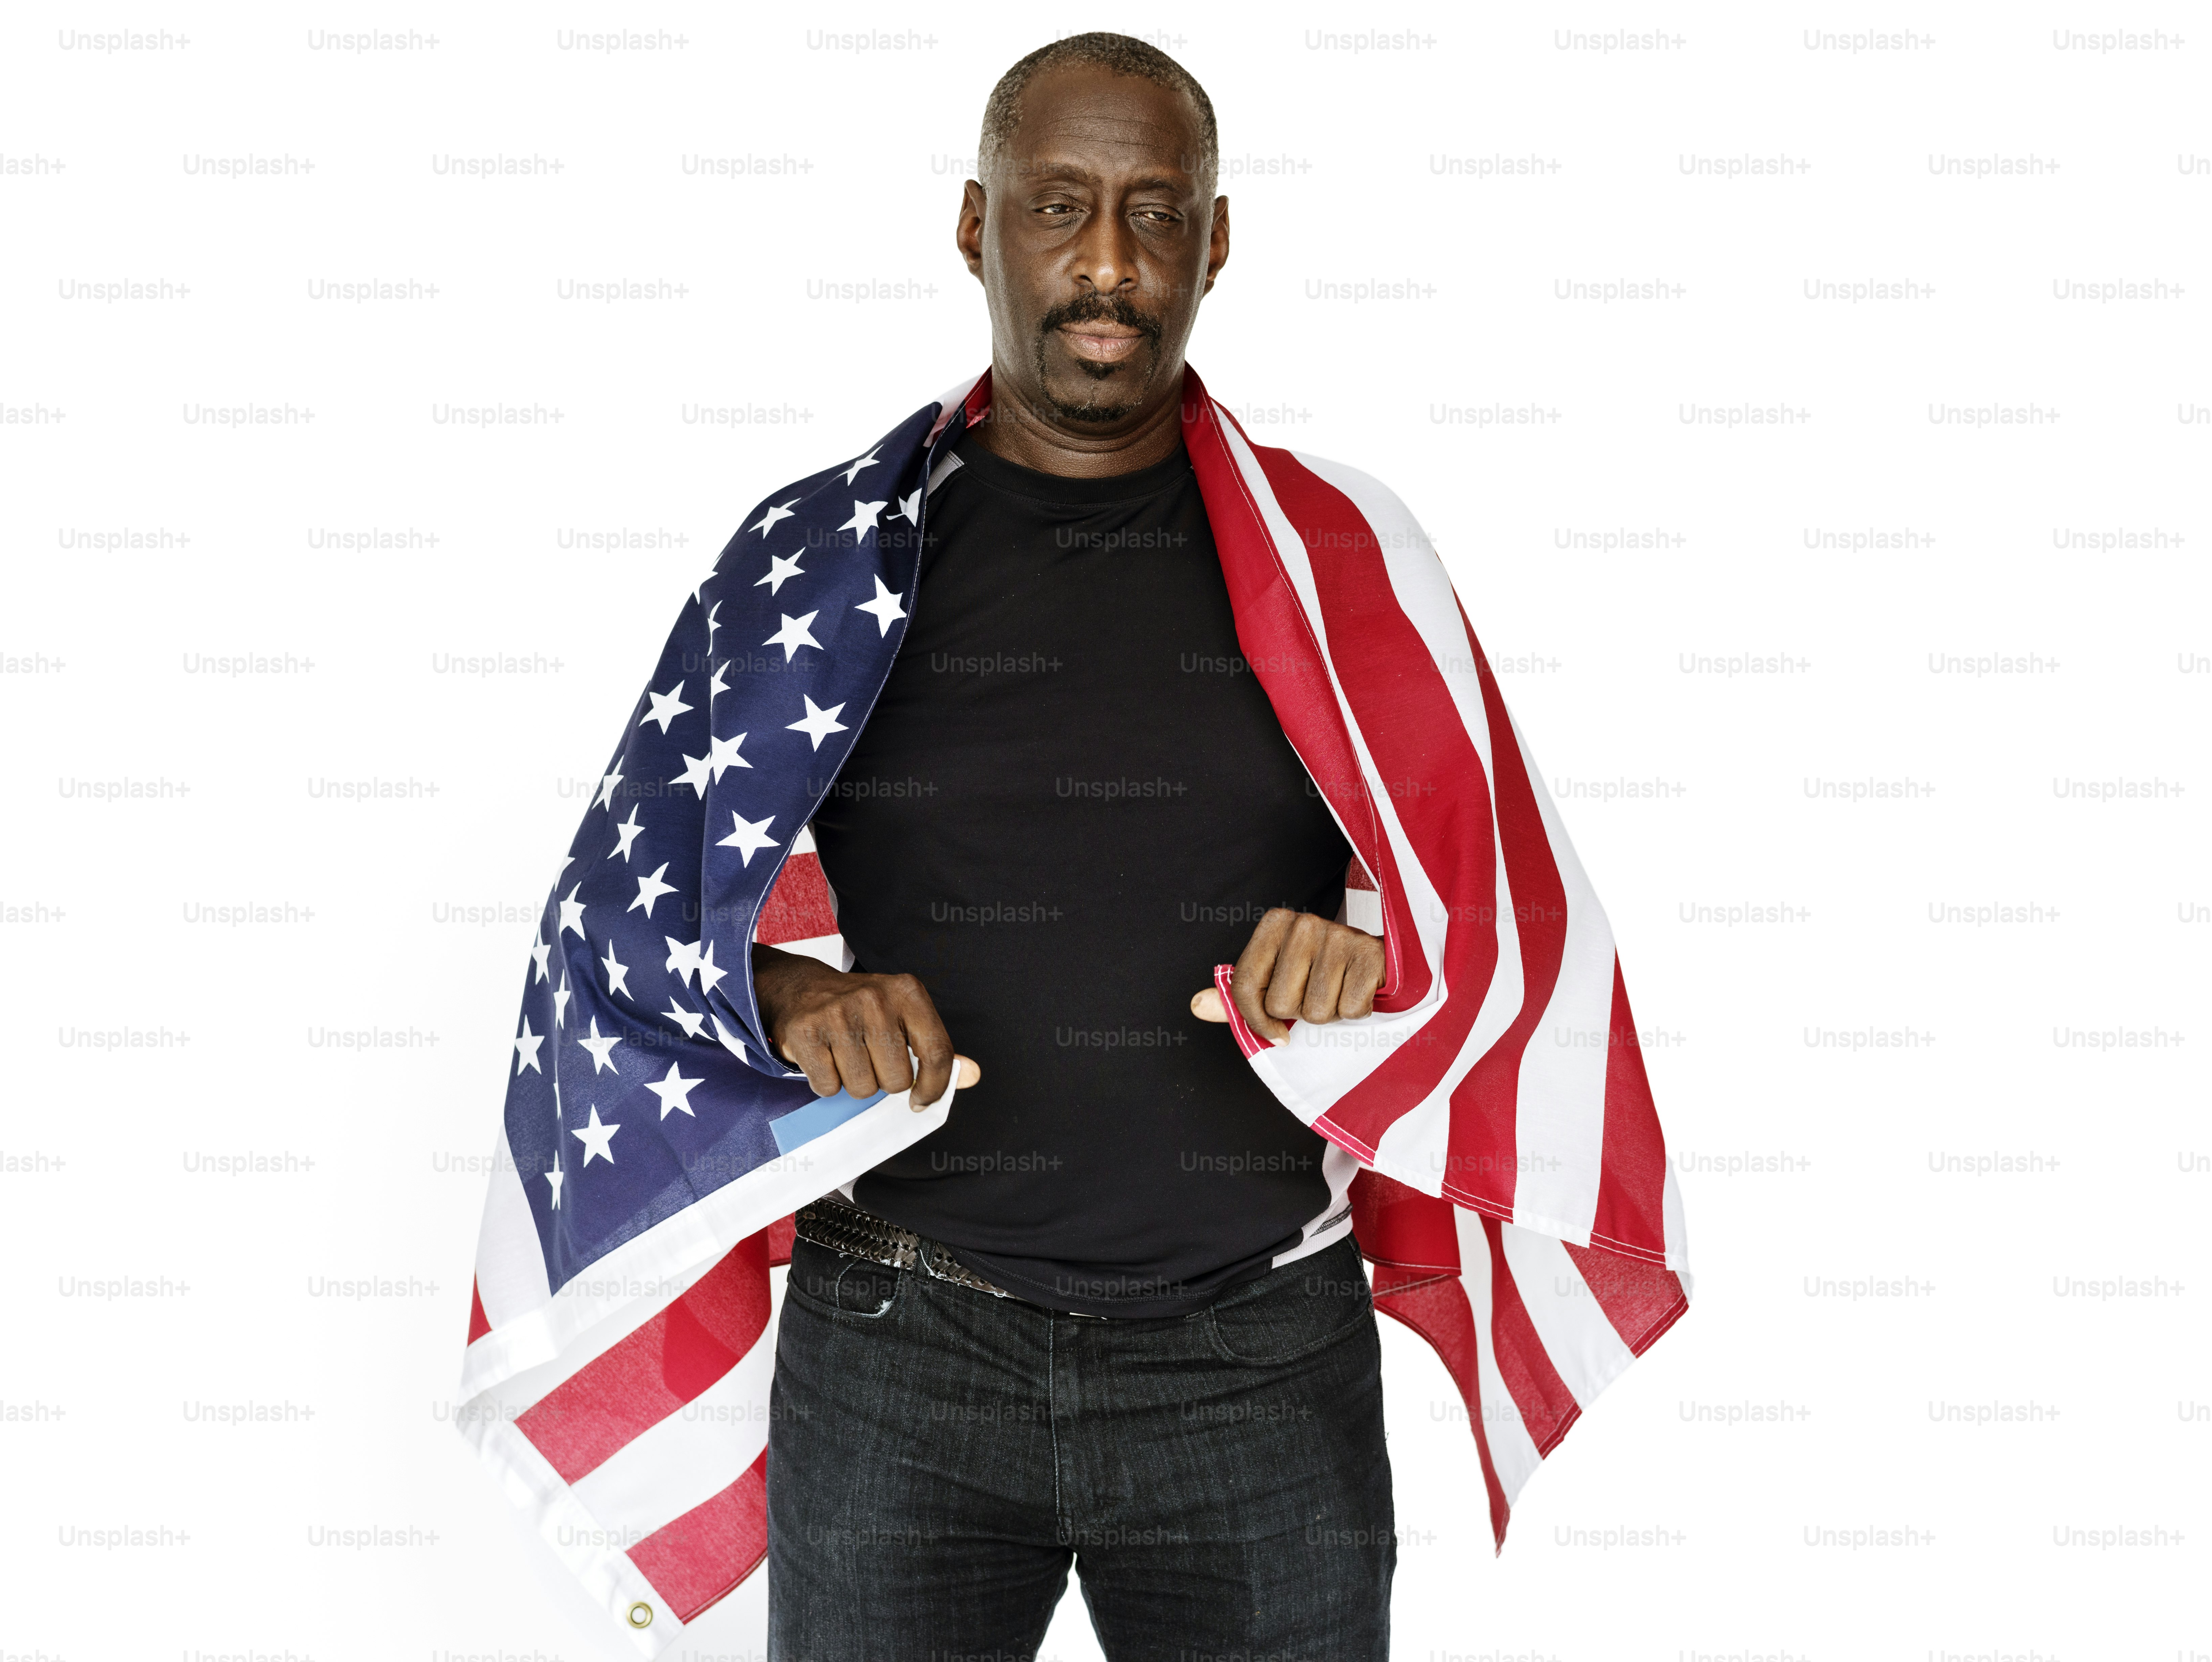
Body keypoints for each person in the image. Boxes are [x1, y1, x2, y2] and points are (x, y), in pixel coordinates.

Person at [757, 32, 1399, 1662]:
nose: (1107, 261)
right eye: (1057, 206)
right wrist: (781, 988)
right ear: (976, 229)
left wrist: (1367, 951)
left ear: (1215, 242)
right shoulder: (825, 564)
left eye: (1153, 210)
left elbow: (1483, 915)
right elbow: (640, 925)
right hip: (903, 1344)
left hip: (1255, 1356)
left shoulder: (1341, 568)